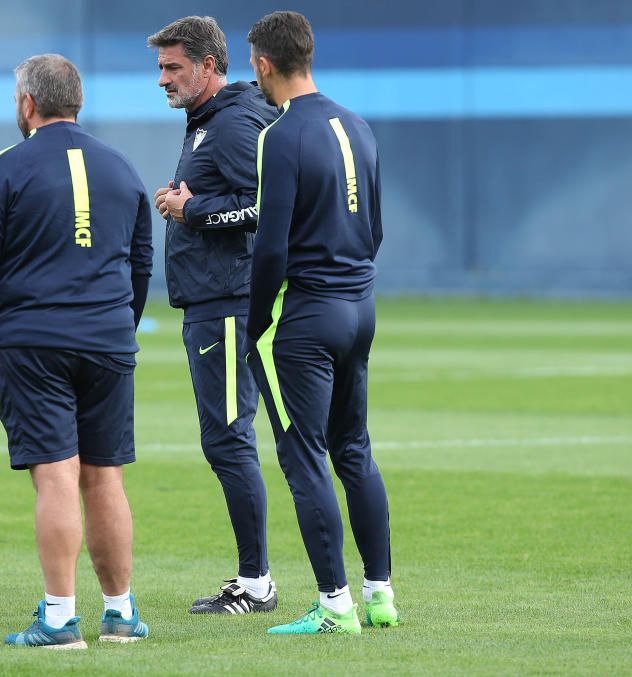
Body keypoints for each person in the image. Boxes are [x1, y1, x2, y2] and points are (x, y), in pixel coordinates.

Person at [0, 54, 152, 648]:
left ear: (27, 104)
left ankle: (61, 619)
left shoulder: (9, 165)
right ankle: (119, 613)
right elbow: (142, 262)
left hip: (34, 343)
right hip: (109, 341)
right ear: (78, 101)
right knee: (105, 477)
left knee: (57, 476)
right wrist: (121, 324)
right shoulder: (121, 166)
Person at [244, 11, 398, 635]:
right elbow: (377, 229)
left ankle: (335, 606)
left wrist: (256, 321)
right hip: (360, 309)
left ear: (262, 64)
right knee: (354, 450)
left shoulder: (279, 136)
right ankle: (380, 596)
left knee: (302, 454)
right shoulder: (357, 125)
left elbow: (271, 248)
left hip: (307, 320)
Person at [147, 16, 279, 614]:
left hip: (228, 303)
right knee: (225, 440)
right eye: (160, 68)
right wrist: (187, 204)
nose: (164, 79)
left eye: (173, 67)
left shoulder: (233, 121)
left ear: (208, 66)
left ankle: (256, 583)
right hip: (211, 302)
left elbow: (268, 207)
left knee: (229, 441)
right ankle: (253, 578)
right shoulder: (208, 122)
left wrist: (193, 210)